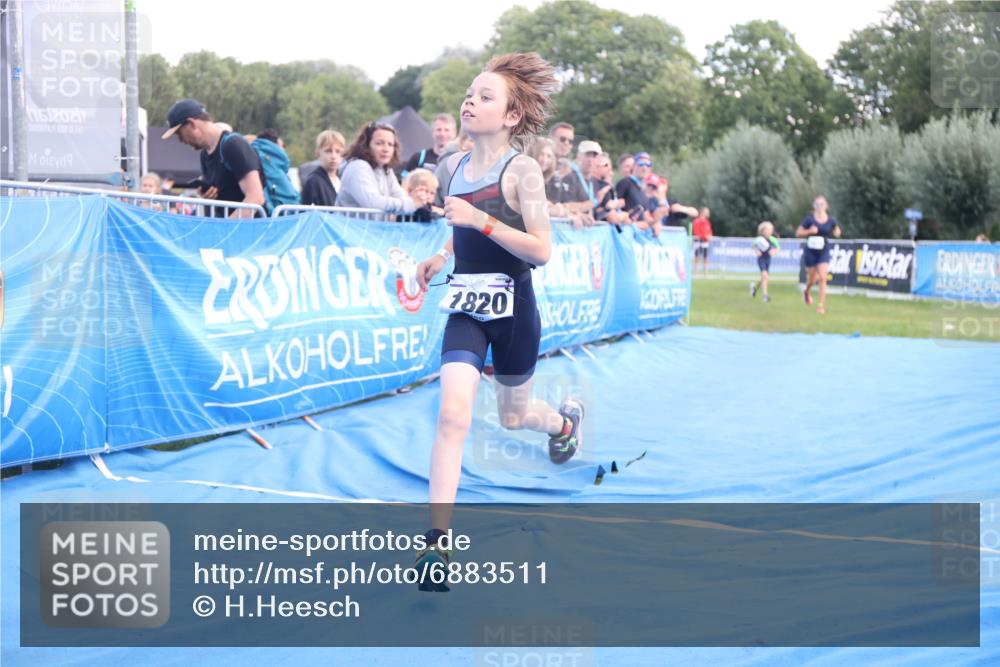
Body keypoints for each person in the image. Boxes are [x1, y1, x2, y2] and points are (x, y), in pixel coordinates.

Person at [412, 52, 583, 591]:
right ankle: (437, 547)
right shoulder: (452, 167)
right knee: (453, 413)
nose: (470, 100)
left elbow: (541, 250)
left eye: (486, 96)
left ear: (511, 116)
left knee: (513, 418)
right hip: (466, 307)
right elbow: (457, 229)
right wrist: (441, 255)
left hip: (515, 312)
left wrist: (481, 221)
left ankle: (563, 424)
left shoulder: (523, 170)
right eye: (469, 92)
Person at [162, 99, 266, 218]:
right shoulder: (205, 153)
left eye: (180, 134)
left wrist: (225, 230)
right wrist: (206, 194)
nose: (181, 141)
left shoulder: (234, 145)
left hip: (251, 232)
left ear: (192, 124)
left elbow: (256, 198)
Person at [336, 122, 431, 214]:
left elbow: (400, 195)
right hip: (349, 229)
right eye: (379, 143)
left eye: (390, 144)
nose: (386, 149)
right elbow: (373, 202)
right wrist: (411, 204)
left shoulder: (386, 170)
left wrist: (417, 200)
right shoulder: (358, 167)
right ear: (366, 146)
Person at [796, 195, 842, 315]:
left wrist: (837, 232)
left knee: (823, 277)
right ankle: (807, 291)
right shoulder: (809, 219)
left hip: (823, 251)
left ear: (826, 206)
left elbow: (837, 231)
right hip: (810, 251)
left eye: (822, 204)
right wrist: (809, 231)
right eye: (817, 204)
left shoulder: (831, 220)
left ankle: (821, 305)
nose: (819, 207)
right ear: (814, 206)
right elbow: (798, 232)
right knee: (812, 279)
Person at [401, 113, 457, 179]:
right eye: (439, 130)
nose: (442, 134)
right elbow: (404, 181)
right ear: (433, 132)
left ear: (454, 133)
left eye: (447, 130)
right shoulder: (419, 157)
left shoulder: (460, 160)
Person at [300, 130, 345, 207]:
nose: (333, 156)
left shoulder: (342, 179)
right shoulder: (313, 182)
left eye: (338, 151)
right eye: (328, 151)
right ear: (318, 154)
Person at [750, 221, 779, 302]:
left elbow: (777, 248)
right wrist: (756, 251)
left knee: (764, 277)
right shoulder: (759, 239)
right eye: (767, 230)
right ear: (762, 231)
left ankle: (755, 288)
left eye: (770, 230)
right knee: (765, 275)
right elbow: (753, 246)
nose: (769, 232)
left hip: (768, 259)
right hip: (761, 259)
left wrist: (774, 252)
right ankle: (765, 296)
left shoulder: (773, 239)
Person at [691, 208, 713, 274]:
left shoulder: (707, 222)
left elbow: (709, 231)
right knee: (696, 257)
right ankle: (695, 271)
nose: (708, 213)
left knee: (705, 257)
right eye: (707, 212)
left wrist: (710, 236)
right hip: (697, 241)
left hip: (705, 242)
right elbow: (696, 232)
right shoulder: (696, 221)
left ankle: (705, 272)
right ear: (702, 213)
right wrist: (705, 236)